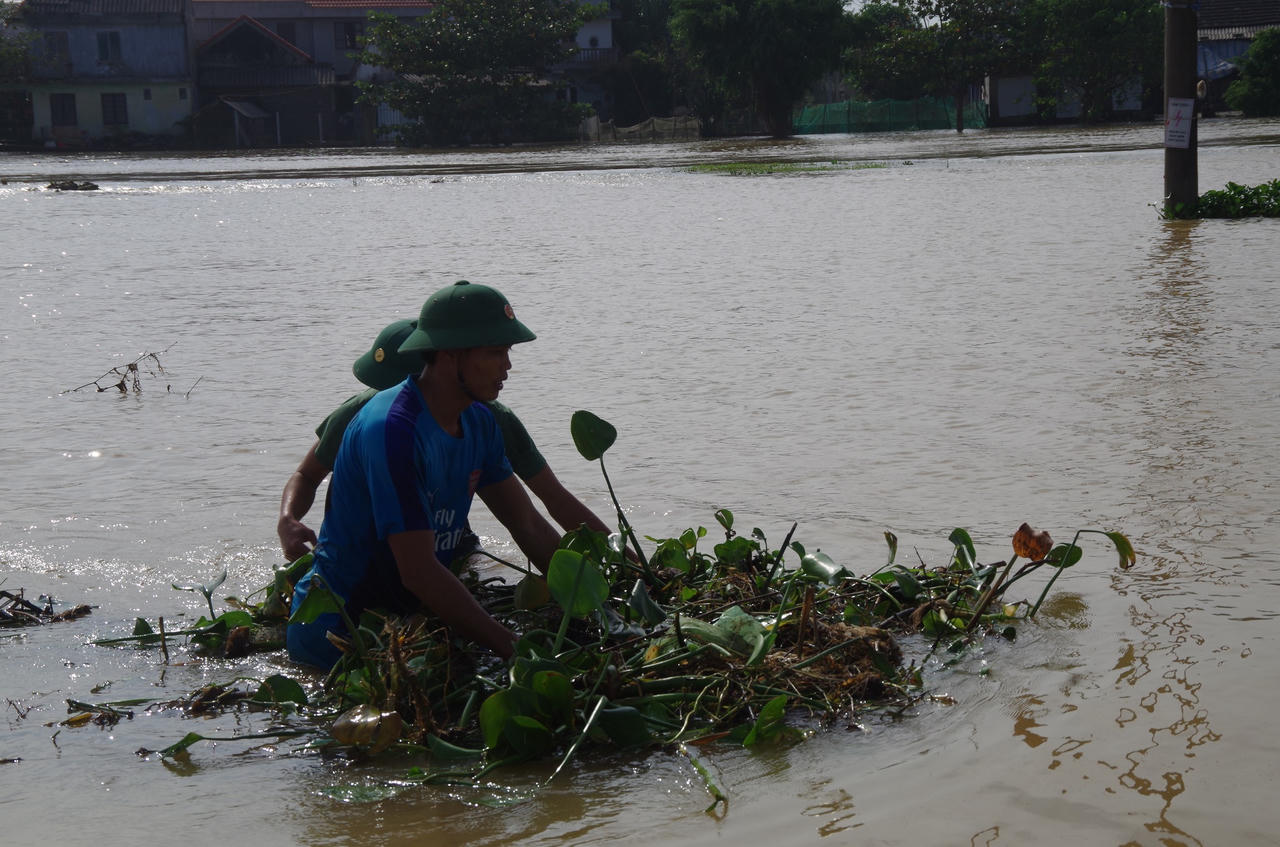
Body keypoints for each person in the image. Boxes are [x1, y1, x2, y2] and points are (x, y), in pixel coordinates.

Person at [287, 281, 569, 668]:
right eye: (495, 352)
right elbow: (418, 572)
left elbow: (529, 526)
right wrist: (513, 646)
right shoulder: (392, 431)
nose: (507, 366)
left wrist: (596, 605)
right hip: (344, 631)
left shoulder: (481, 421)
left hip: (412, 619)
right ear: (451, 355)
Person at [277, 322, 618, 563]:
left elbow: (548, 502)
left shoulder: (488, 418)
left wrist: (620, 565)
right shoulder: (363, 415)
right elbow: (306, 476)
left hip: (445, 537)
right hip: (369, 553)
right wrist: (288, 518)